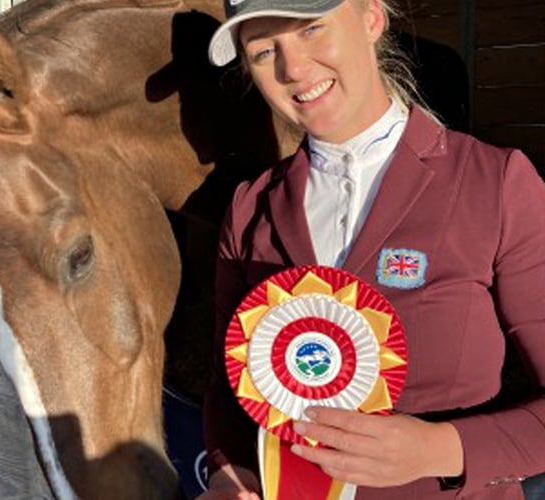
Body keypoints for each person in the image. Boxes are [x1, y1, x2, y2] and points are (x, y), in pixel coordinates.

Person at [199, 0, 545, 499]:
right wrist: (229, 477)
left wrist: (439, 448)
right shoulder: (250, 207)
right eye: (263, 51)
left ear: (371, 17)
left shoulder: (494, 183)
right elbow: (228, 392)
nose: (292, 68)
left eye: (312, 29)